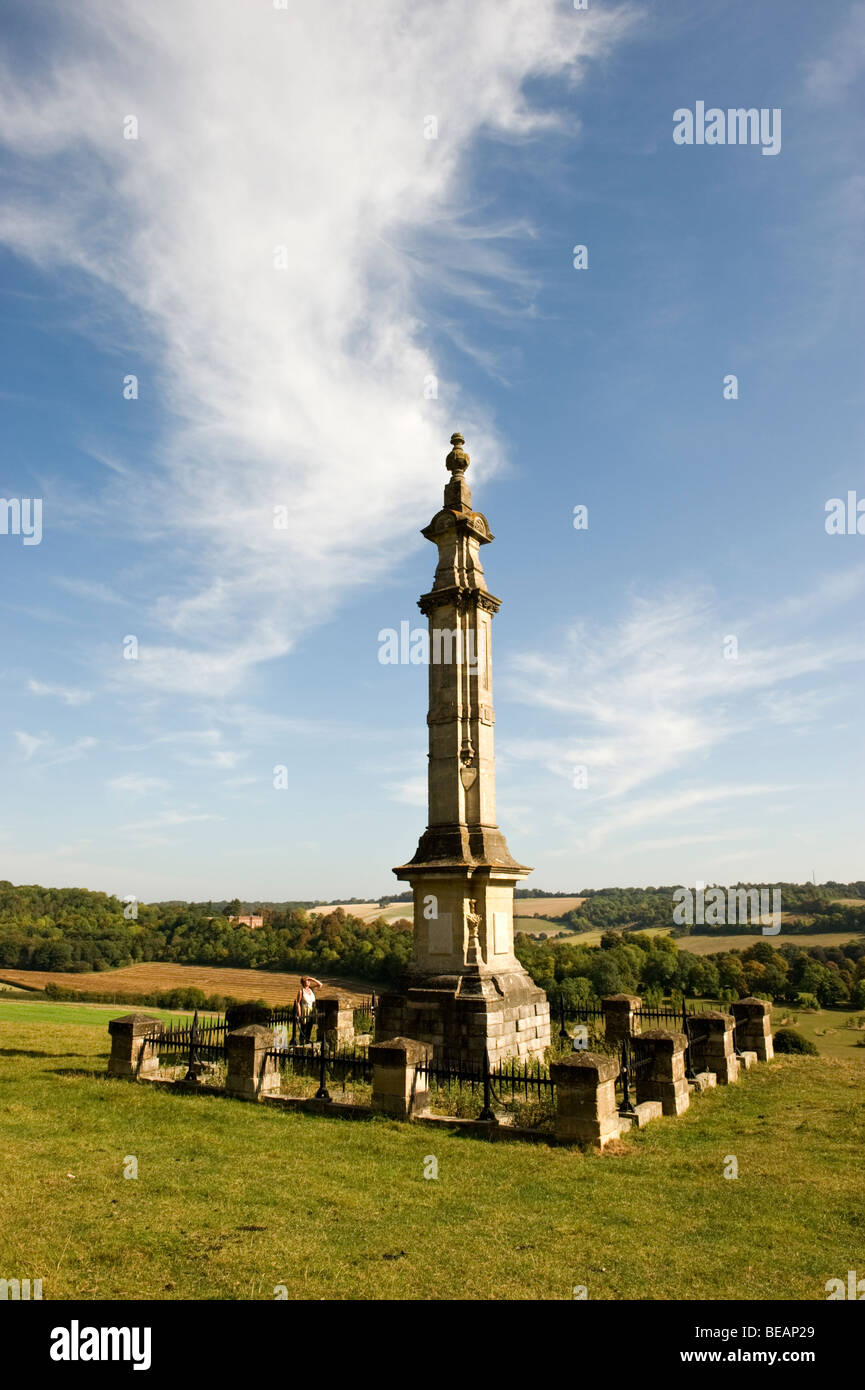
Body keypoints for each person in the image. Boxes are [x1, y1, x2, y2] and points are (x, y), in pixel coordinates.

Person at [294, 975, 322, 1045]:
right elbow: (298, 1003)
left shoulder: (311, 989)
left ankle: (307, 1043)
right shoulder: (301, 991)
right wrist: (299, 1014)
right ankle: (301, 1043)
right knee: (303, 1029)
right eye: (307, 980)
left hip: (311, 1011)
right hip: (304, 1011)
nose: (309, 982)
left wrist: (312, 979)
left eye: (309, 981)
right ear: (303, 982)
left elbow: (320, 984)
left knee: (309, 1028)